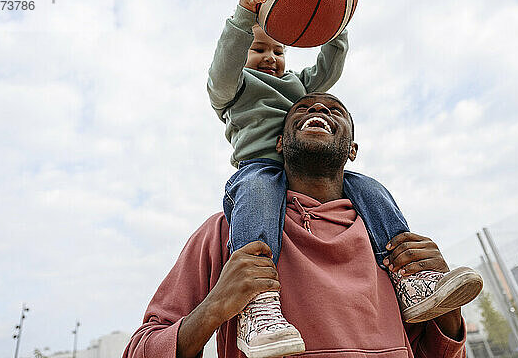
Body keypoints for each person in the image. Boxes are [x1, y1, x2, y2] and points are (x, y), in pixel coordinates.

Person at [206, 0, 482, 357]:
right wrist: (243, 18)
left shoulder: (298, 88)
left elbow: (328, 70)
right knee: (255, 192)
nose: (270, 57)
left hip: (305, 174)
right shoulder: (235, 87)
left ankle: (409, 278)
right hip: (260, 170)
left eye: (278, 50)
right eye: (259, 48)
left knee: (371, 188)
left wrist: (336, 25)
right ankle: (258, 301)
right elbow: (220, 70)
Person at [124, 93, 481, 358]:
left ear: (351, 148)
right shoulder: (228, 233)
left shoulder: (390, 242)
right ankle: (259, 313)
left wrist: (448, 314)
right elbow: (139, 349)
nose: (318, 110)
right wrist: (214, 308)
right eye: (303, 109)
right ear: (280, 143)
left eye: (333, 109)